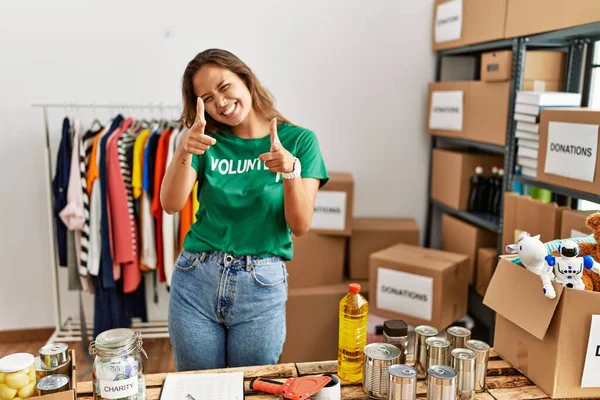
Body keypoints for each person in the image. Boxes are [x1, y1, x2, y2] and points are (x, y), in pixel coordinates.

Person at [160, 48, 329, 371]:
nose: (220, 103)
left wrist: (291, 171)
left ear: (246, 80)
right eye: (207, 98)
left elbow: (300, 225)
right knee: (199, 389)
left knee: (251, 389)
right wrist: (184, 148)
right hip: (196, 278)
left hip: (260, 285)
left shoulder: (301, 141)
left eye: (224, 87)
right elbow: (170, 204)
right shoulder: (204, 140)